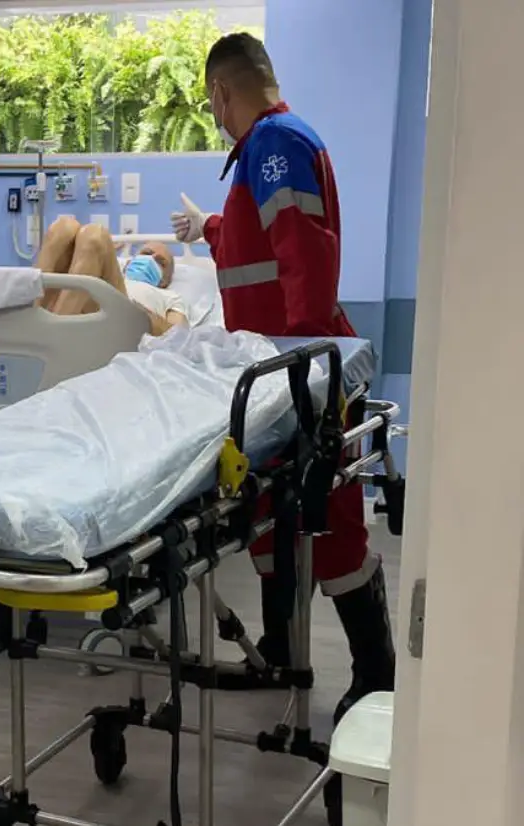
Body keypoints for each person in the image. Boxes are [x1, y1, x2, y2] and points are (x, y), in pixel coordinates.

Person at [170, 29, 394, 802]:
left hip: (296, 372)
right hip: (273, 372)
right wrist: (208, 228)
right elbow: (259, 248)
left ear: (222, 92)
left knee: (332, 523)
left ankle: (376, 670)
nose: (215, 116)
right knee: (273, 517)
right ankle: (276, 649)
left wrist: (300, 374)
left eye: (212, 104)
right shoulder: (268, 151)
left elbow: (305, 255)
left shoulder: (275, 144)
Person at [37, 216, 188, 336]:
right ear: (128, 263)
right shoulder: (111, 274)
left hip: (123, 324)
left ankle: (52, 334)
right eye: (146, 254)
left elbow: (178, 337)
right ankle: (29, 319)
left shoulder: (171, 297)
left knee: (95, 236)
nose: (150, 260)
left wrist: (139, 312)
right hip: (85, 306)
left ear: (166, 280)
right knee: (63, 228)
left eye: (160, 262)